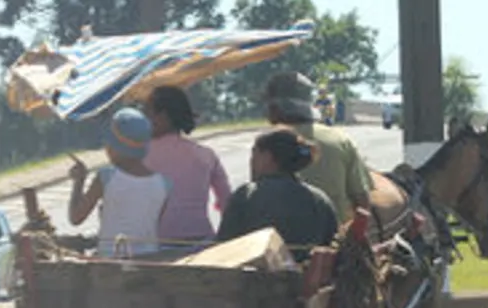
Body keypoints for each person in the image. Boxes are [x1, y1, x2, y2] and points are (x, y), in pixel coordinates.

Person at [263, 72, 373, 224]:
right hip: (336, 242)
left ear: (273, 108)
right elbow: (362, 201)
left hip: (280, 244)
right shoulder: (340, 140)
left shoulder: (264, 145)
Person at [216, 129, 339, 263]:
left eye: (255, 154)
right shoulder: (320, 200)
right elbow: (332, 247)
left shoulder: (246, 195)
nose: (251, 162)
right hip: (308, 279)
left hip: (256, 280)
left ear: (268, 157)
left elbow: (224, 247)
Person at [68, 107, 172, 258]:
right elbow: (145, 222)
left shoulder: (106, 176)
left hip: (111, 262)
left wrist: (79, 181)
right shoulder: (164, 183)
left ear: (114, 147)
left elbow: (76, 218)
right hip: (150, 260)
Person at [142, 85, 232, 252]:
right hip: (203, 244)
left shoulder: (137, 157)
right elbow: (228, 205)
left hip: (154, 249)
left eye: (147, 113)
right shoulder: (206, 155)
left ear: (162, 116)